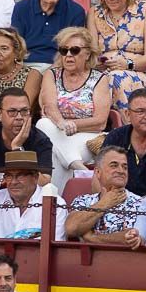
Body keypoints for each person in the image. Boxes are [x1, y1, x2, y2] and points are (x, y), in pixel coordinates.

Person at [36, 27, 112, 187]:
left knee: (52, 148)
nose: (68, 55)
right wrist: (62, 124)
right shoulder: (52, 74)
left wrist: (73, 125)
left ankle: (52, 205)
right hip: (58, 130)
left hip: (88, 137)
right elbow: (48, 107)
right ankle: (78, 168)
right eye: (64, 50)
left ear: (88, 54)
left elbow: (100, 122)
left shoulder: (100, 79)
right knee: (43, 124)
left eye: (75, 50)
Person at [11, 0, 88, 68]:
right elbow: (16, 47)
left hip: (59, 67)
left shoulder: (75, 11)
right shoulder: (21, 8)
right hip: (25, 66)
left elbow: (72, 52)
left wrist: (51, 73)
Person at [0, 150, 68, 240]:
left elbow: (56, 246)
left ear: (35, 177)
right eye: (9, 176)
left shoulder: (56, 203)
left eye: (20, 175)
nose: (13, 182)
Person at [65, 145, 143, 243]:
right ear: (98, 172)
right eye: (114, 165)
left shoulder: (140, 203)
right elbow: (71, 228)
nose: (121, 171)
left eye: (124, 167)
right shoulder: (83, 201)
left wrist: (92, 238)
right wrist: (105, 203)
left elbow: (131, 238)